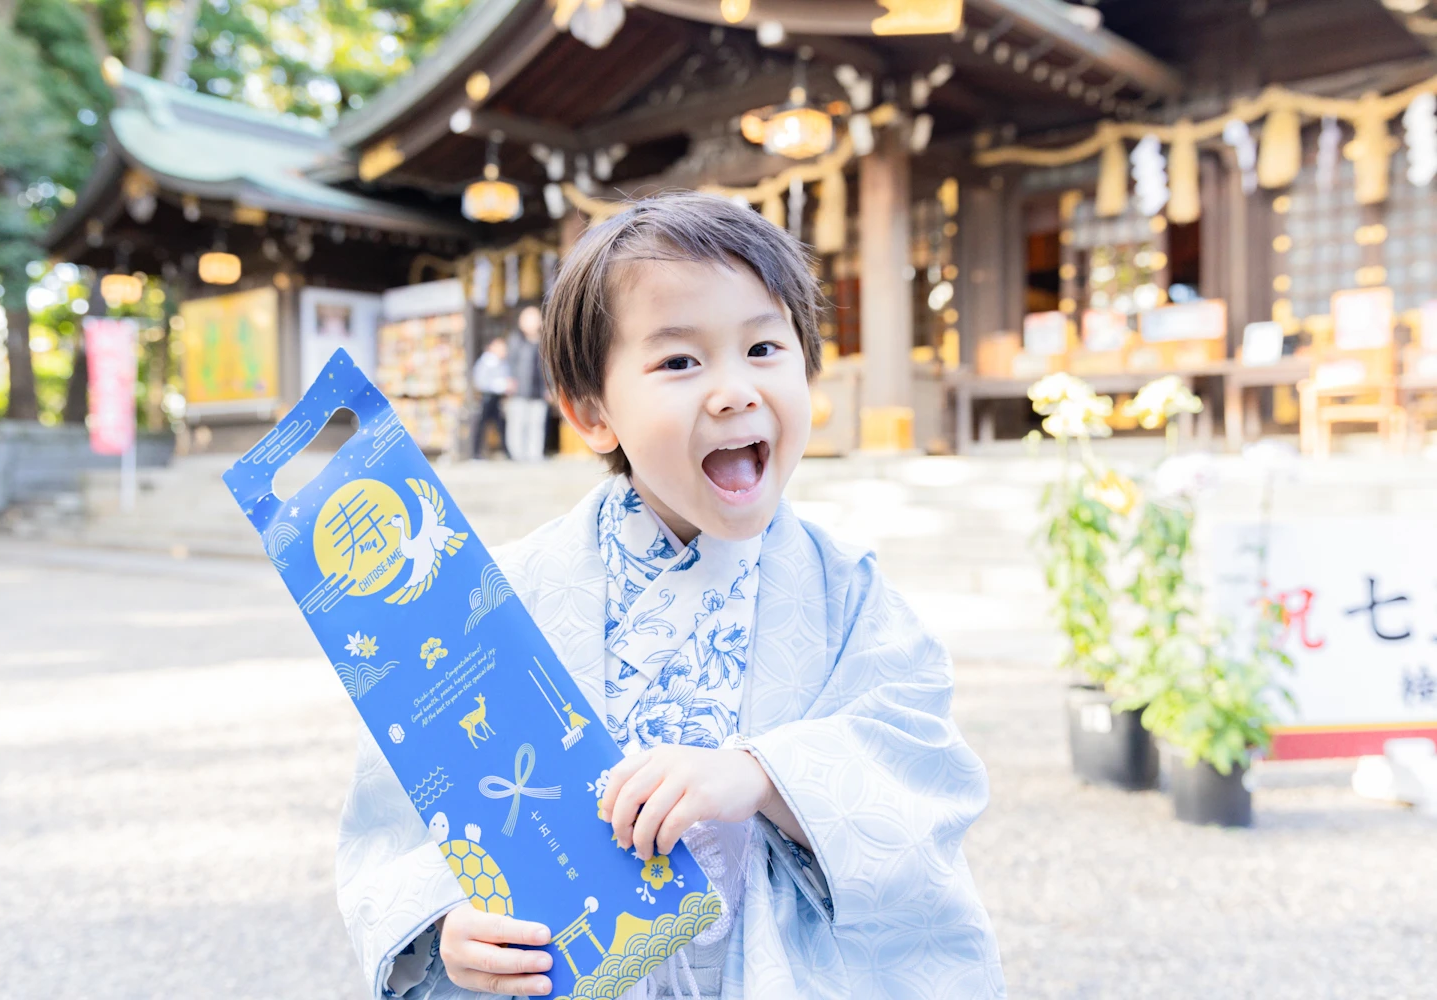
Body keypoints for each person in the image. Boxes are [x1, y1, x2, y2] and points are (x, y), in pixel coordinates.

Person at [337, 193, 1006, 999]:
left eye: (764, 347)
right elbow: (408, 808)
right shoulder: (498, 599)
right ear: (591, 413)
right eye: (680, 362)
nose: (733, 391)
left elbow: (921, 760)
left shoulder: (844, 590)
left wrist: (760, 774)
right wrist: (447, 924)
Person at [504, 305, 549, 462]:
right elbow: (509, 363)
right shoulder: (515, 340)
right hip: (519, 390)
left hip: (538, 391)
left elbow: (548, 367)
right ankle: (517, 455)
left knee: (537, 424)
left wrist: (550, 387)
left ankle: (535, 454)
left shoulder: (544, 342)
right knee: (518, 423)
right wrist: (509, 380)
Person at [468, 337, 512, 460]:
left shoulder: (502, 362)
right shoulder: (486, 362)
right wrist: (500, 384)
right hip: (487, 398)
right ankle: (475, 453)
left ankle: (506, 451)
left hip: (497, 398)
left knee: (501, 425)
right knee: (482, 425)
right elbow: (480, 382)